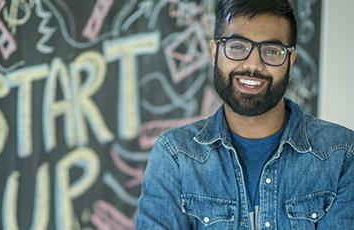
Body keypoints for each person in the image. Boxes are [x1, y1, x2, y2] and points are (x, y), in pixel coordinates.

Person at [136, 0, 354, 229]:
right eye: (237, 47)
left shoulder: (341, 154)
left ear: (290, 61)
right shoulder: (176, 155)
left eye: (271, 51)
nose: (253, 65)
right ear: (214, 52)